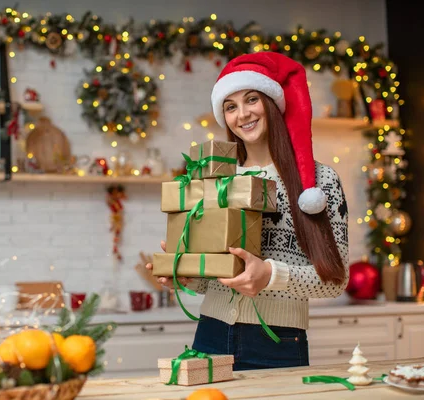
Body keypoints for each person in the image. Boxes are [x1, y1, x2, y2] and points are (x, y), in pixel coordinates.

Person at [146, 52, 349, 370]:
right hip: (210, 334)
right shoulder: (216, 180)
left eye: (251, 99)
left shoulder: (319, 182)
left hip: (277, 342)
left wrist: (271, 275)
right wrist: (185, 274)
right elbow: (219, 275)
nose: (242, 114)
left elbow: (336, 280)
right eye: (230, 106)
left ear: (271, 102)